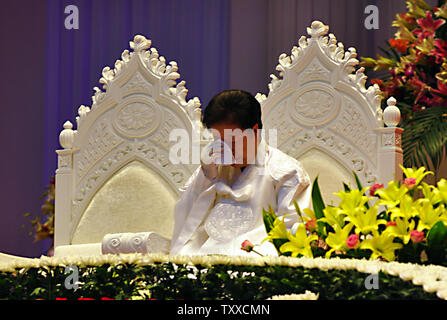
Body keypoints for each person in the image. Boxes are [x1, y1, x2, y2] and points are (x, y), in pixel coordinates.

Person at [169, 90, 312, 256]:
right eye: (218, 140)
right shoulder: (214, 165)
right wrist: (207, 179)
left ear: (254, 130)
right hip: (205, 259)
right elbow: (185, 227)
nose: (224, 149)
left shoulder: (286, 172)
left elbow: (292, 235)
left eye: (232, 141)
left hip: (257, 261)